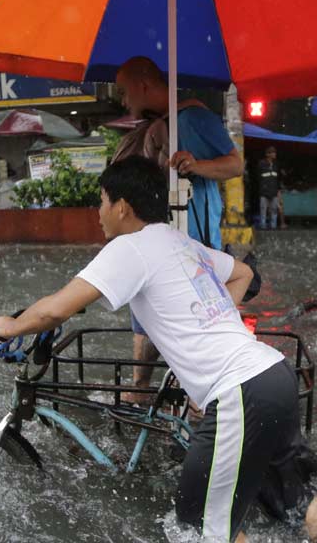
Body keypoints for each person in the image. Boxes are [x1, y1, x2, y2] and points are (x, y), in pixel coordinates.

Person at [0, 156, 317, 542]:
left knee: (199, 527)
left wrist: (10, 326)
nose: (99, 211)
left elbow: (54, 309)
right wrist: (213, 321)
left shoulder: (130, 249)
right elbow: (244, 273)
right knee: (297, 500)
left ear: (122, 206)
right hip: (275, 374)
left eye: (102, 200)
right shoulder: (181, 241)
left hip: (240, 391)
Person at [111, 56, 243, 402]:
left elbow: (235, 163)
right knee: (144, 302)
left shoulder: (196, 117)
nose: (124, 101)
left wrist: (197, 165)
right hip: (158, 237)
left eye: (125, 92)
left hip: (195, 240)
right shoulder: (156, 126)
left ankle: (200, 396)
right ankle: (140, 389)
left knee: (195, 321)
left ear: (143, 85)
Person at [257, 146, 281, 229]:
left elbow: (277, 179)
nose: (275, 154)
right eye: (273, 152)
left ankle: (273, 227)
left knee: (274, 210)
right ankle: (263, 227)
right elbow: (258, 177)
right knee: (263, 210)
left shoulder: (276, 164)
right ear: (268, 154)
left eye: (275, 152)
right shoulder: (261, 164)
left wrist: (278, 191)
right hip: (264, 192)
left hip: (274, 192)